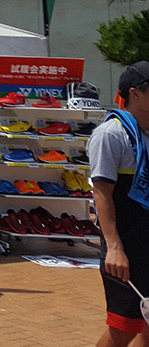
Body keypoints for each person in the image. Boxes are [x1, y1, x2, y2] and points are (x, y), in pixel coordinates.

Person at [89, 61, 149, 346]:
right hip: (126, 245)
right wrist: (114, 247)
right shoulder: (112, 134)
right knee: (124, 327)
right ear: (135, 94)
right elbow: (102, 193)